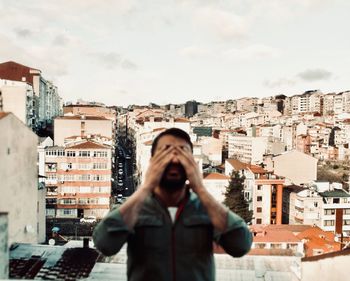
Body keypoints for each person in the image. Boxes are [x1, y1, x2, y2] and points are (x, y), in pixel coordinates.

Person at [93, 128, 252, 281]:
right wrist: (146, 187)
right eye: (165, 151)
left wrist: (200, 189)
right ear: (152, 162)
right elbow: (104, 244)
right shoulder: (135, 207)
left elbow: (240, 245)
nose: (174, 158)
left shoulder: (207, 209)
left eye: (183, 151)